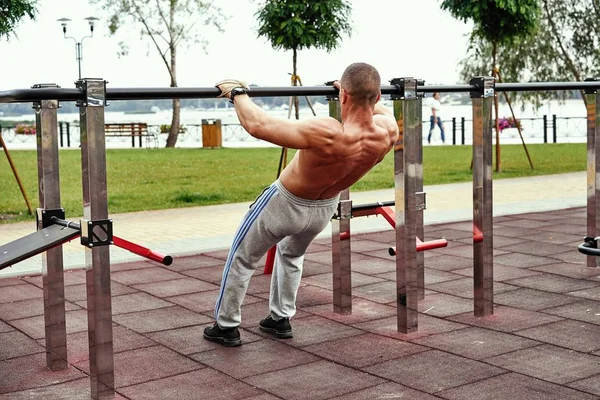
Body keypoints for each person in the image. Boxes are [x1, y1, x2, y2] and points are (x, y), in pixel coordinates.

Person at [203, 62, 399, 347]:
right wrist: (349, 91)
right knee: (291, 255)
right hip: (324, 209)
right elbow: (376, 109)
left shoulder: (329, 131)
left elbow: (258, 125)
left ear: (343, 96)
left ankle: (226, 326)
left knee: (241, 258)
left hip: (284, 204)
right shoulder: (387, 131)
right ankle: (280, 319)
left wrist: (236, 93)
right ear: (378, 96)